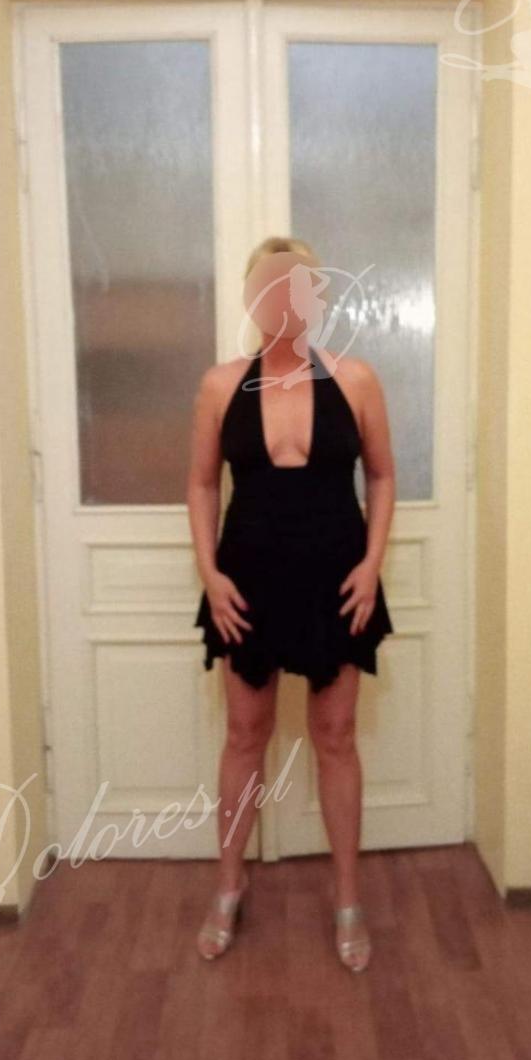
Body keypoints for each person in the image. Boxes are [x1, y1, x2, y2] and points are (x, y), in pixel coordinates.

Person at [186, 236, 396, 972]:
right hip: (246, 580)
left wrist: (371, 564)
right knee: (245, 735)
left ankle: (347, 899)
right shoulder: (221, 385)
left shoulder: (356, 380)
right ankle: (228, 886)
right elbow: (201, 484)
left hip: (338, 577)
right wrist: (209, 574)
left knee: (335, 737)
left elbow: (381, 477)